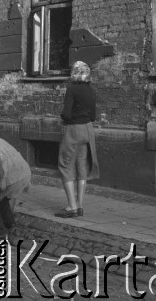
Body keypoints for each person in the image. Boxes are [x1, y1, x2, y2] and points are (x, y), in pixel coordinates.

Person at [56, 61, 99, 218]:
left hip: (73, 129)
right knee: (82, 165)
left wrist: (63, 118)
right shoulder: (91, 90)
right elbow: (93, 115)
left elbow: (66, 113)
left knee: (65, 164)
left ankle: (71, 207)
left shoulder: (72, 89)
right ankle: (80, 206)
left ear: (74, 73)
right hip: (88, 129)